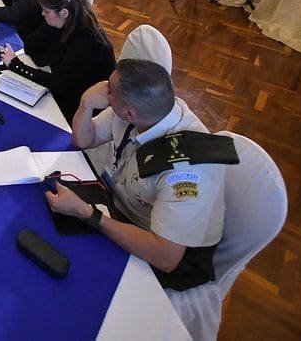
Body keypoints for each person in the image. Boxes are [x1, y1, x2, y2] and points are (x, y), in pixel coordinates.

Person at [46, 59, 227, 293]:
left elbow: (166, 257)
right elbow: (83, 140)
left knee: (77, 278)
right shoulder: (144, 111)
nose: (104, 91)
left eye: (109, 91)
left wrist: (87, 213)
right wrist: (86, 104)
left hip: (171, 253)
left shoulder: (187, 170)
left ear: (130, 113)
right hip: (124, 210)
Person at [0, 0, 115, 120]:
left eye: (46, 11)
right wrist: (50, 23)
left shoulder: (87, 41)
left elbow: (57, 83)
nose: (42, 14)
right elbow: (30, 47)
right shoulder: (67, 20)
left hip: (80, 107)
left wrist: (16, 65)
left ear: (64, 12)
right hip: (66, 88)